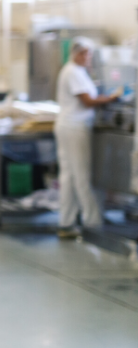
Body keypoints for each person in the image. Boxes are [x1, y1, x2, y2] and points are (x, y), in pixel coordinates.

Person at [54, 37, 119, 237]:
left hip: (67, 125)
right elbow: (87, 101)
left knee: (69, 176)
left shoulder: (76, 71)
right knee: (82, 176)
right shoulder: (72, 71)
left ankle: (66, 222)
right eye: (84, 53)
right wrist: (112, 97)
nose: (87, 57)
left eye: (89, 54)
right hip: (74, 127)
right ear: (76, 53)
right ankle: (92, 223)